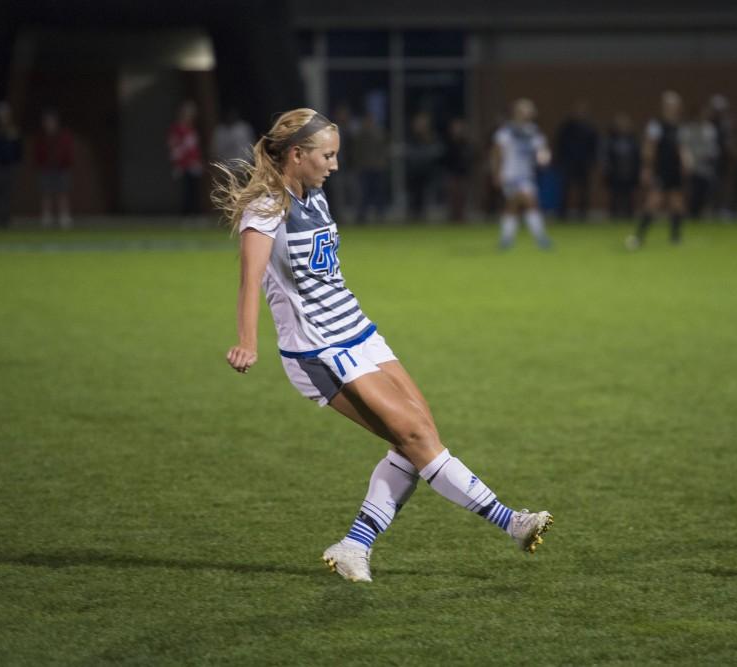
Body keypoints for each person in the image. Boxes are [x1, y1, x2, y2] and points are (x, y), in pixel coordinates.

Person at [212, 108, 552, 583]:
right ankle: (511, 522)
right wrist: (247, 342)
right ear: (296, 155)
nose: (333, 165)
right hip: (320, 350)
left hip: (359, 331)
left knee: (418, 436)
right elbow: (250, 280)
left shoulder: (316, 197)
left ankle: (354, 545)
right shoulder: (267, 208)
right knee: (415, 437)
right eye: (327, 156)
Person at [627, 90, 687, 249]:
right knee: (654, 202)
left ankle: (675, 237)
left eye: (674, 105)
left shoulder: (678, 126)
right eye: (669, 104)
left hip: (674, 169)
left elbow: (681, 147)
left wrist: (685, 161)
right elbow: (649, 147)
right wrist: (646, 168)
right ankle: (639, 236)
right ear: (664, 106)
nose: (672, 107)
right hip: (661, 169)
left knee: (677, 203)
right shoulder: (656, 125)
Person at [491, 98, 552, 249]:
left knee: (514, 206)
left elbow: (542, 150)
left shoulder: (533, 131)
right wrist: (496, 173)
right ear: (517, 112)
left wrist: (544, 158)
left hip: (526, 175)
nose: (530, 113)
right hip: (510, 175)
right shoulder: (506, 131)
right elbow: (496, 153)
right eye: (526, 110)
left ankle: (506, 239)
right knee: (529, 201)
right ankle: (540, 238)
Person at [554, 100, 598, 221]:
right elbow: (559, 144)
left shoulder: (590, 128)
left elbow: (594, 147)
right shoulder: (566, 127)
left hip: (584, 163)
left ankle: (582, 213)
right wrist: (560, 160)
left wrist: (592, 161)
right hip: (568, 162)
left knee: (584, 189)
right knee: (565, 188)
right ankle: (562, 213)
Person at [34, 109, 75, 229]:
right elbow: (37, 152)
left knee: (62, 193)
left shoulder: (64, 135)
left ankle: (64, 217)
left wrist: (65, 163)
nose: (49, 123)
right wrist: (41, 163)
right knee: (46, 193)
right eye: (47, 121)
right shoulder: (41, 136)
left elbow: (68, 151)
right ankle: (46, 217)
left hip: (61, 169)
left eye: (51, 121)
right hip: (46, 168)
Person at [680, 105, 719, 220]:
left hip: (706, 167)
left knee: (706, 192)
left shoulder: (710, 129)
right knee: (693, 193)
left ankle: (702, 213)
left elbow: (713, 149)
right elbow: (684, 146)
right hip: (693, 167)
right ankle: (692, 213)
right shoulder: (688, 129)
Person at [405, 111, 443, 221]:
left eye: (422, 123)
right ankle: (413, 216)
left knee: (427, 196)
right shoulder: (411, 137)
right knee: (413, 197)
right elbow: (409, 152)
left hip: (427, 172)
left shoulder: (432, 137)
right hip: (414, 172)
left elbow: (438, 150)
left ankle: (425, 217)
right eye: (418, 123)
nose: (420, 126)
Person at [168, 100, 204, 216]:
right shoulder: (177, 129)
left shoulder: (192, 129)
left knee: (194, 190)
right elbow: (175, 147)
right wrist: (178, 163)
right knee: (186, 190)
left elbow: (194, 148)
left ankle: (195, 213)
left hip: (193, 164)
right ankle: (186, 214)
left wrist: (197, 161)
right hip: (183, 164)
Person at [351, 112, 388, 224]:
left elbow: (383, 149)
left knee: (377, 192)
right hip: (365, 168)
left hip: (376, 167)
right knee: (364, 193)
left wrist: (382, 163)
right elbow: (356, 151)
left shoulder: (378, 133)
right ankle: (362, 215)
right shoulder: (361, 135)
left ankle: (379, 214)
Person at [602, 113, 640, 219]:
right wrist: (607, 169)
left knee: (629, 196)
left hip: (629, 172)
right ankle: (613, 215)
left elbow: (637, 156)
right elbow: (606, 156)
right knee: (614, 196)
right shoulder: (610, 140)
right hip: (615, 172)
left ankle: (628, 216)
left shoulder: (633, 140)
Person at [0, 101, 22, 228]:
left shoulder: (13, 130)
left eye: (5, 113)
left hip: (9, 165)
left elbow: (18, 148)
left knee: (8, 193)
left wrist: (17, 161)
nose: (3, 116)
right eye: (1, 113)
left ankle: (6, 219)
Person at [442, 117, 473, 223]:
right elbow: (445, 158)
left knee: (462, 197)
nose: (457, 130)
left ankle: (461, 218)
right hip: (452, 173)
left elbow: (472, 156)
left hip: (463, 174)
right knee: (453, 197)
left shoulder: (466, 142)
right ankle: (453, 218)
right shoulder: (448, 143)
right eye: (455, 128)